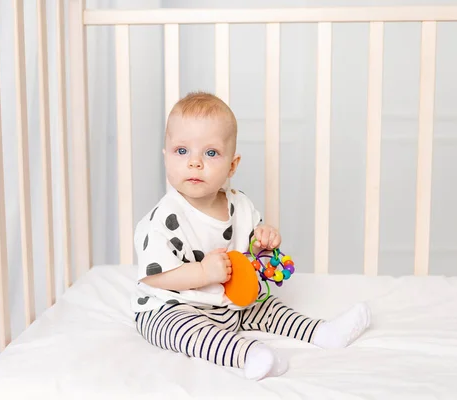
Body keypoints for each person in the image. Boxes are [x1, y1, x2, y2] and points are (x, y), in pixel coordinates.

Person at [131, 91, 371, 380]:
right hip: (171, 306)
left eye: (210, 153)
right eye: (182, 151)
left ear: (232, 165)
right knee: (182, 330)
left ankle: (322, 332)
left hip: (228, 302)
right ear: (166, 157)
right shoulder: (161, 220)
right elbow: (155, 277)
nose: (195, 162)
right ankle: (249, 354)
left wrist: (263, 243)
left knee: (266, 305)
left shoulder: (240, 205)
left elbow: (252, 257)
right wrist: (203, 273)